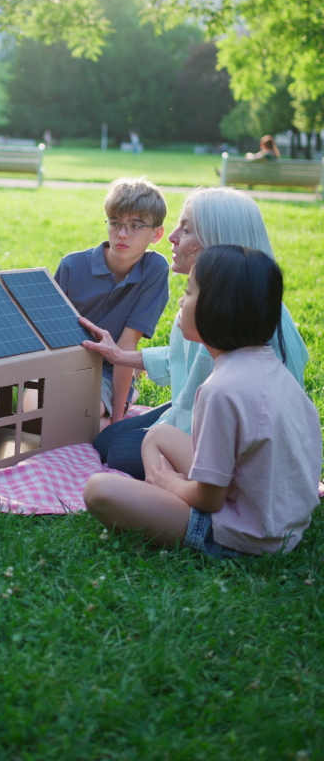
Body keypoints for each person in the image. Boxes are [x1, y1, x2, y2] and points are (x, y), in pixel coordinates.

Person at [83, 245, 322, 557]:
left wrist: (171, 483)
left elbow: (210, 499)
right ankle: (167, 498)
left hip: (246, 535)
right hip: (279, 518)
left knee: (99, 489)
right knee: (158, 433)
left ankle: (170, 504)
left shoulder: (220, 390)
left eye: (189, 292)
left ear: (216, 308)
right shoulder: (270, 370)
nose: (182, 301)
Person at [85, 186, 309, 478]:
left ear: (215, 242)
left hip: (230, 438)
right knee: (105, 441)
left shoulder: (235, 315)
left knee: (119, 452)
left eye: (186, 230)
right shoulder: (206, 298)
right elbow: (179, 360)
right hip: (198, 409)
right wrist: (118, 355)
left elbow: (239, 414)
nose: (173, 237)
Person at [48, 178, 170, 429]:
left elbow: (126, 345)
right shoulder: (72, 265)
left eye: (136, 226)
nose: (122, 234)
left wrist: (116, 422)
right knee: (41, 412)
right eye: (115, 223)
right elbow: (51, 335)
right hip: (65, 366)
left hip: (108, 370)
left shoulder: (154, 270)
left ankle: (120, 400)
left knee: (78, 420)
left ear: (156, 234)